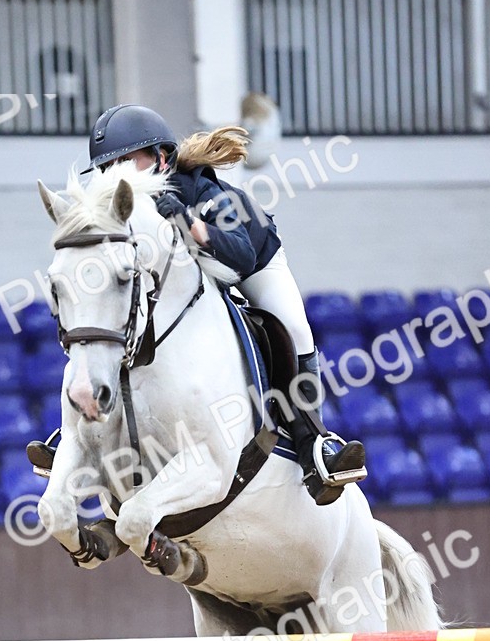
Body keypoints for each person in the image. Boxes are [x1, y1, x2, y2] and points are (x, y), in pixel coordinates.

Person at [82, 103, 366, 506]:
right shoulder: (125, 211)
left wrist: (191, 224)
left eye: (126, 162)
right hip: (194, 275)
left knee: (294, 329)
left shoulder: (200, 188)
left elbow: (242, 255)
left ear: (162, 158)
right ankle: (82, 439)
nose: (116, 177)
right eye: (108, 168)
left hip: (249, 263)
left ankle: (314, 446)